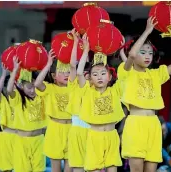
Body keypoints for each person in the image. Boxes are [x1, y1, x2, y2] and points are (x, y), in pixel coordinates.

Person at [120, 16, 171, 172]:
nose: (147, 56)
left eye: (150, 53)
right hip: (135, 124)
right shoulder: (126, 72)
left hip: (153, 124)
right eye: (143, 52)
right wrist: (147, 31)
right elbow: (131, 55)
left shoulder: (156, 74)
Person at [76, 33, 125, 172]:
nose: (99, 77)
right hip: (94, 136)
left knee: (112, 168)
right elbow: (79, 73)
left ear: (109, 77)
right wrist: (86, 50)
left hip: (111, 135)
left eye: (103, 73)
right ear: (90, 78)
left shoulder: (115, 91)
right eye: (95, 74)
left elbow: (126, 73)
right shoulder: (87, 91)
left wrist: (121, 52)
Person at [34, 48, 74, 172]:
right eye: (62, 72)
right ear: (53, 76)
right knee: (55, 169)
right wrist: (48, 64)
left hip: (72, 128)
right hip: (55, 129)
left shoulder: (74, 87)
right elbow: (37, 84)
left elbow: (75, 69)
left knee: (70, 166)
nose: (66, 74)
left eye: (68, 72)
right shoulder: (50, 88)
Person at [7, 57, 47, 172]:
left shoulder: (41, 96)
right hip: (22, 141)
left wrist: (46, 64)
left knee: (39, 170)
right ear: (21, 87)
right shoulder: (19, 99)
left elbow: (40, 82)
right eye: (29, 87)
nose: (32, 90)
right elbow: (9, 90)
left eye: (34, 87)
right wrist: (15, 71)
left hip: (39, 140)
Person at [65, 29, 91, 172]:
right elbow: (73, 65)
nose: (86, 76)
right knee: (78, 167)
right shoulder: (74, 84)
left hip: (94, 129)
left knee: (94, 167)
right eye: (85, 73)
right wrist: (77, 42)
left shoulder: (96, 86)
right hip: (77, 128)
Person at [0, 63, 15, 172]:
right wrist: (3, 75)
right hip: (6, 137)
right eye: (6, 86)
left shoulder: (19, 100)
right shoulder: (1, 102)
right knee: (6, 169)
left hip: (20, 137)